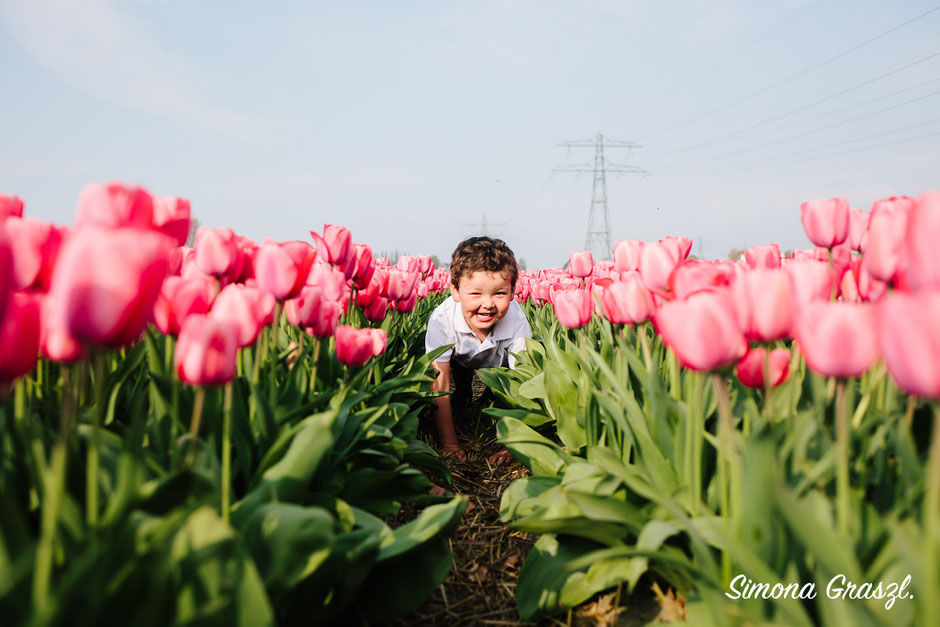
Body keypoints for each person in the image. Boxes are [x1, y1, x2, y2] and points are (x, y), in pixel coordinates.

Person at [424, 236, 532, 463]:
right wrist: (449, 443)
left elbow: (524, 381)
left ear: (513, 292)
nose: (488, 304)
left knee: (502, 388)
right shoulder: (442, 320)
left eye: (499, 293)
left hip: (497, 365)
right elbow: (439, 382)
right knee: (458, 385)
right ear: (455, 290)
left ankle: (491, 395)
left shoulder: (517, 321)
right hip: (460, 358)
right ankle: (464, 390)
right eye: (475, 293)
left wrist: (516, 443)